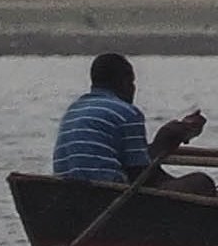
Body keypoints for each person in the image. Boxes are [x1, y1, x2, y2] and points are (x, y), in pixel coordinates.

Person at [51, 52, 206, 187]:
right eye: (132, 82)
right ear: (125, 82)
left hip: (66, 192)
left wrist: (170, 138)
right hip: (104, 194)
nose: (133, 88)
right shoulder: (127, 112)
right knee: (201, 182)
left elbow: (132, 163)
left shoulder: (74, 109)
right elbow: (141, 176)